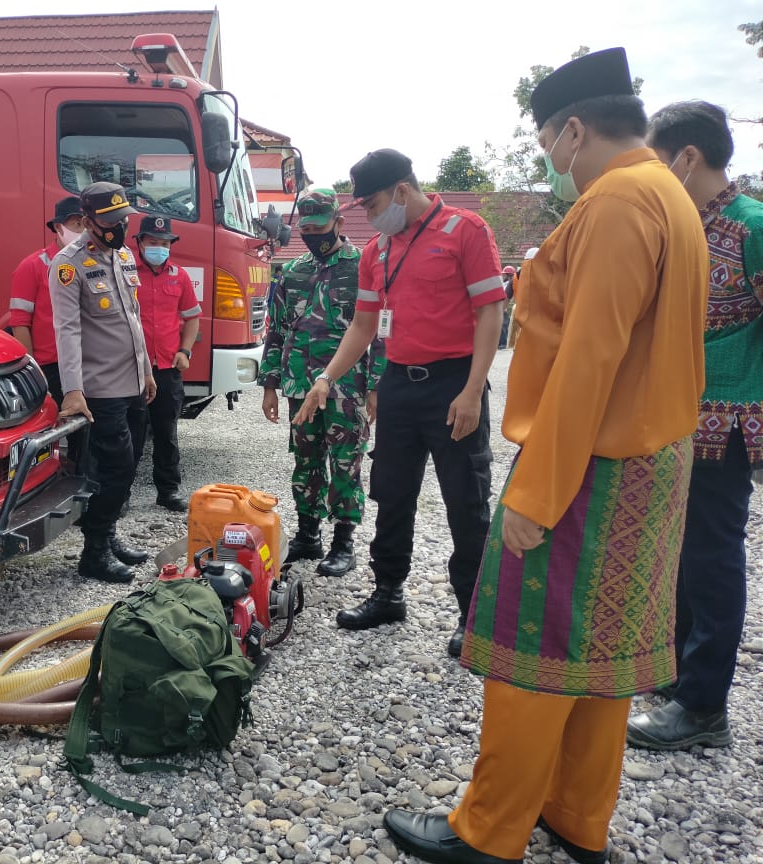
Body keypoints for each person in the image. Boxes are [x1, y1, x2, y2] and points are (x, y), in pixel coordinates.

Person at [379, 48, 708, 864]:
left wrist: (536, 495)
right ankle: (576, 816)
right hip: (651, 459)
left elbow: (589, 357)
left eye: (545, 143)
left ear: (570, 130)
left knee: (533, 648)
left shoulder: (617, 201)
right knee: (602, 652)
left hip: (587, 462)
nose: (549, 159)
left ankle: (490, 832)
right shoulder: (670, 192)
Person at [294, 152, 504, 657]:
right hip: (399, 386)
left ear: (403, 191)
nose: (367, 213)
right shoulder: (378, 251)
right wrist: (326, 377)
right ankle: (388, 592)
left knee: (465, 500)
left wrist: (474, 390)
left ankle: (473, 616)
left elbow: (491, 311)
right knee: (391, 493)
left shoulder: (465, 230)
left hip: (454, 382)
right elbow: (364, 326)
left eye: (372, 202)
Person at [626, 101, 763, 751]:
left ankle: (705, 707)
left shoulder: (751, 225)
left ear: (687, 157)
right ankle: (678, 675)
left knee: (711, 558)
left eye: (656, 159)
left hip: (728, 421)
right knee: (677, 552)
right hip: (677, 418)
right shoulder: (681, 225)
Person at [259, 188, 385, 578]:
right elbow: (277, 331)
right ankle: (308, 534)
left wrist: (376, 386)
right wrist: (269, 385)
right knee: (306, 460)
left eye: (320, 227)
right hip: (300, 383)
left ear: (339, 223)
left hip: (348, 385)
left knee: (345, 462)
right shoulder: (294, 272)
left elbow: (379, 331)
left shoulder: (362, 266)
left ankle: (343, 542)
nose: (313, 235)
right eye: (306, 229)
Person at [51, 181, 157, 583]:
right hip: (100, 389)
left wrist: (146, 371)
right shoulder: (68, 264)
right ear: (87, 221)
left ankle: (107, 534)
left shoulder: (124, 254)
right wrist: (73, 390)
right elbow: (67, 329)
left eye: (124, 218)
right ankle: (93, 551)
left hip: (132, 381)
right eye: (111, 220)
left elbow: (132, 318)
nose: (120, 226)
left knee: (128, 469)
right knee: (117, 467)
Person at [10, 196, 88, 466]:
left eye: (84, 224)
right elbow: (20, 322)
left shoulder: (91, 264)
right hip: (50, 365)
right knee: (50, 430)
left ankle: (83, 482)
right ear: (58, 228)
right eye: (75, 224)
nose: (81, 230)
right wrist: (33, 372)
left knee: (87, 433)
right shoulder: (32, 266)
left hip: (85, 362)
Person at [132, 215, 202, 512]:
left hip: (167, 370)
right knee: (130, 434)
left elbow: (192, 318)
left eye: (164, 243)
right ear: (139, 243)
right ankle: (120, 494)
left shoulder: (180, 276)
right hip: (131, 368)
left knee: (166, 432)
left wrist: (185, 350)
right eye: (153, 243)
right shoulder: (125, 273)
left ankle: (168, 491)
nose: (159, 248)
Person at [498, 266, 515, 349]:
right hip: (500, 308)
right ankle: (500, 342)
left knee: (503, 325)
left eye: (505, 275)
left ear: (509, 275)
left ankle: (503, 343)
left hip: (504, 309)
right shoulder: (504, 284)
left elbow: (507, 297)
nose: (503, 276)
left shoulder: (510, 284)